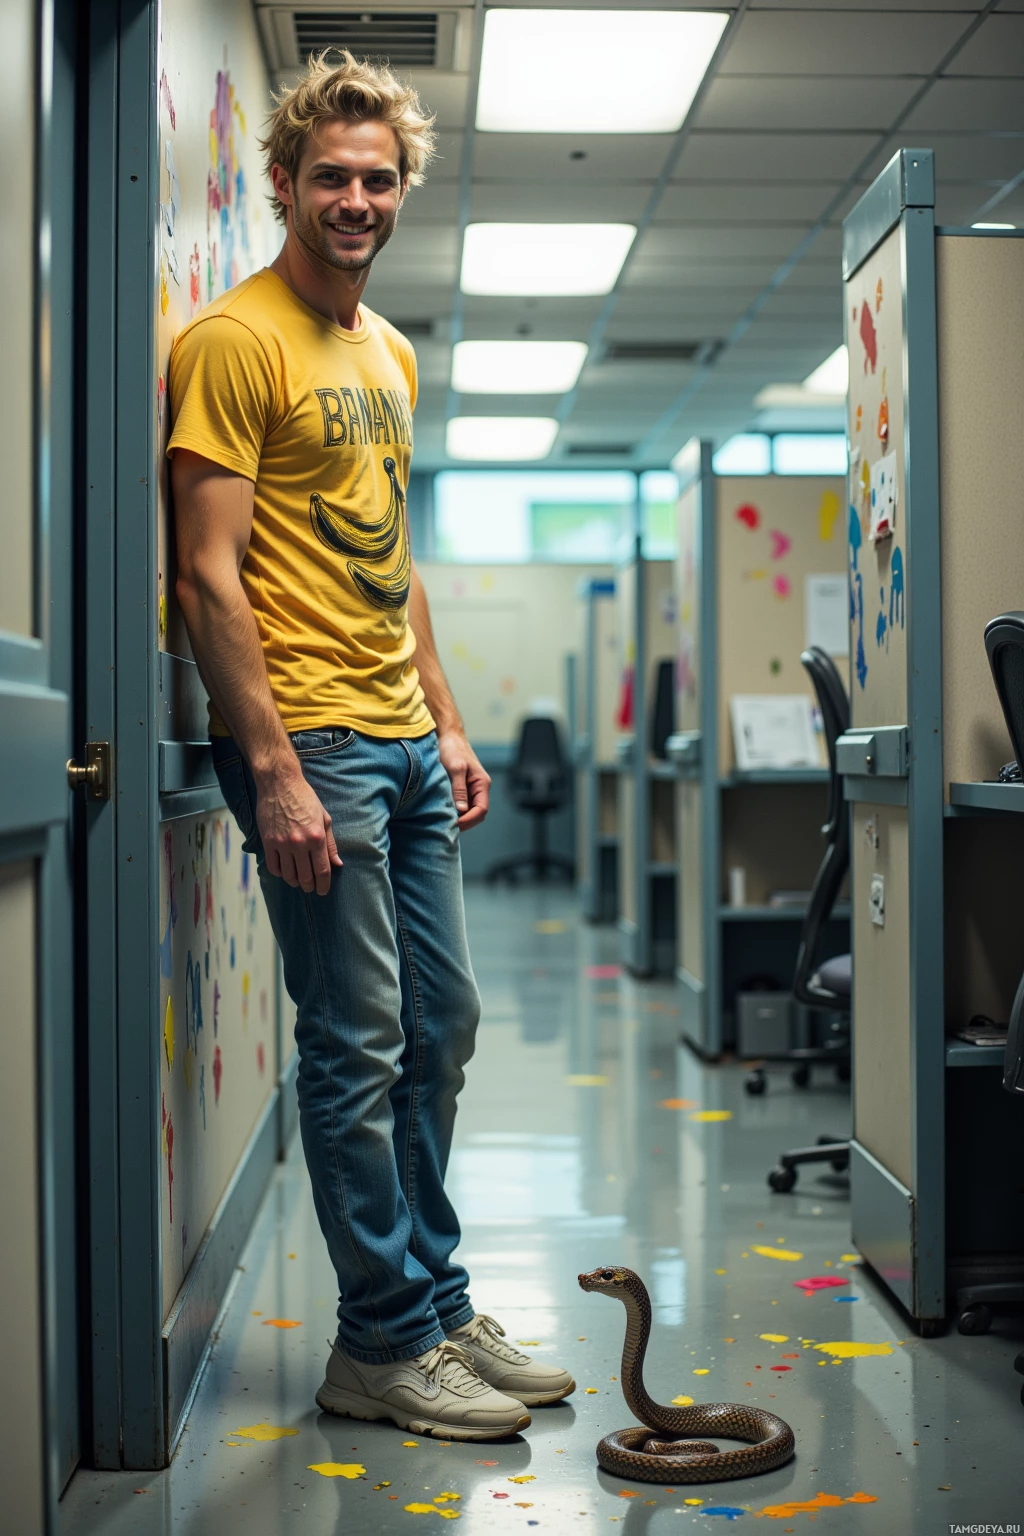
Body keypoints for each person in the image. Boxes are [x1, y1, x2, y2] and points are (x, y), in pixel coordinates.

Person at [168, 51, 574, 1442]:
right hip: (312, 744)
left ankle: (438, 1303)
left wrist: (449, 719)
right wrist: (272, 764)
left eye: (378, 178)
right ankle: (383, 1345)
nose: (356, 198)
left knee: (439, 1029)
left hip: (399, 735)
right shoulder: (235, 340)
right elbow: (207, 576)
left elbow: (389, 562)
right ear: (279, 184)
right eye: (329, 176)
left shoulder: (388, 351)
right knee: (358, 1041)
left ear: (403, 191)